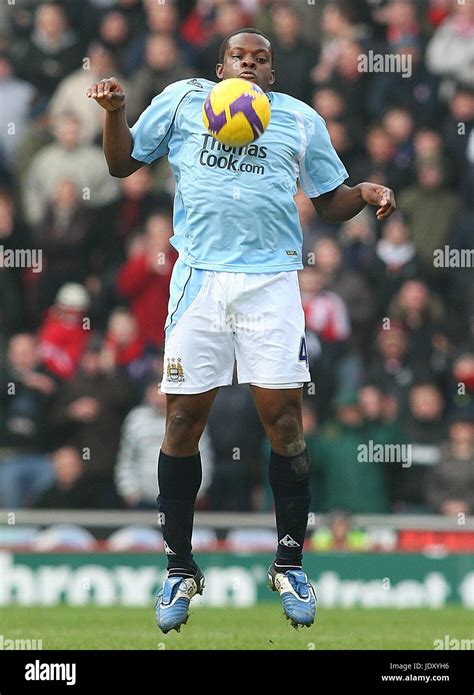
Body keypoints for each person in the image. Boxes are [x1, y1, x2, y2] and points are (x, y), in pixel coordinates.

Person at [86, 27, 396, 634]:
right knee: (180, 420)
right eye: (238, 56)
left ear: (272, 74)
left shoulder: (300, 120)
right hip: (199, 280)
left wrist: (365, 192)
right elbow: (123, 164)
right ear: (220, 64)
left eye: (261, 59)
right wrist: (116, 113)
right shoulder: (181, 100)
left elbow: (330, 200)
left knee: (284, 421)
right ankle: (178, 566)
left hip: (271, 282)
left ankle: (288, 561)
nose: (249, 65)